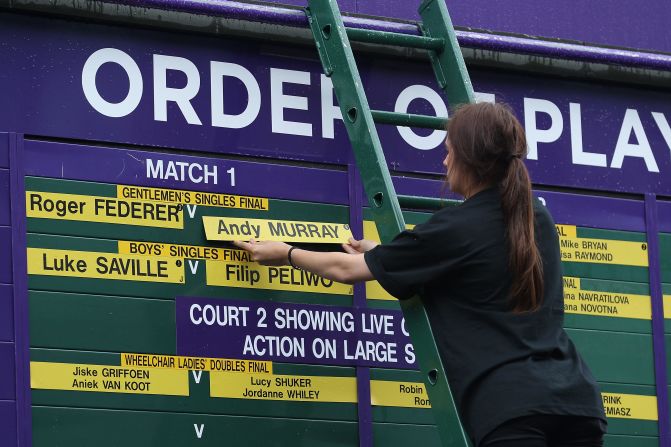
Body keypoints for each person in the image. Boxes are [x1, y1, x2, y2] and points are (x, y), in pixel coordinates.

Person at [233, 102, 607, 447]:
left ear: (470, 160)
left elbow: (344, 270)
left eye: (449, 150)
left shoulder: (455, 228)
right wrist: (384, 256)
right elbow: (477, 270)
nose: (444, 161)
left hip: (510, 409)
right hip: (576, 403)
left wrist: (285, 252)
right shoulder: (536, 218)